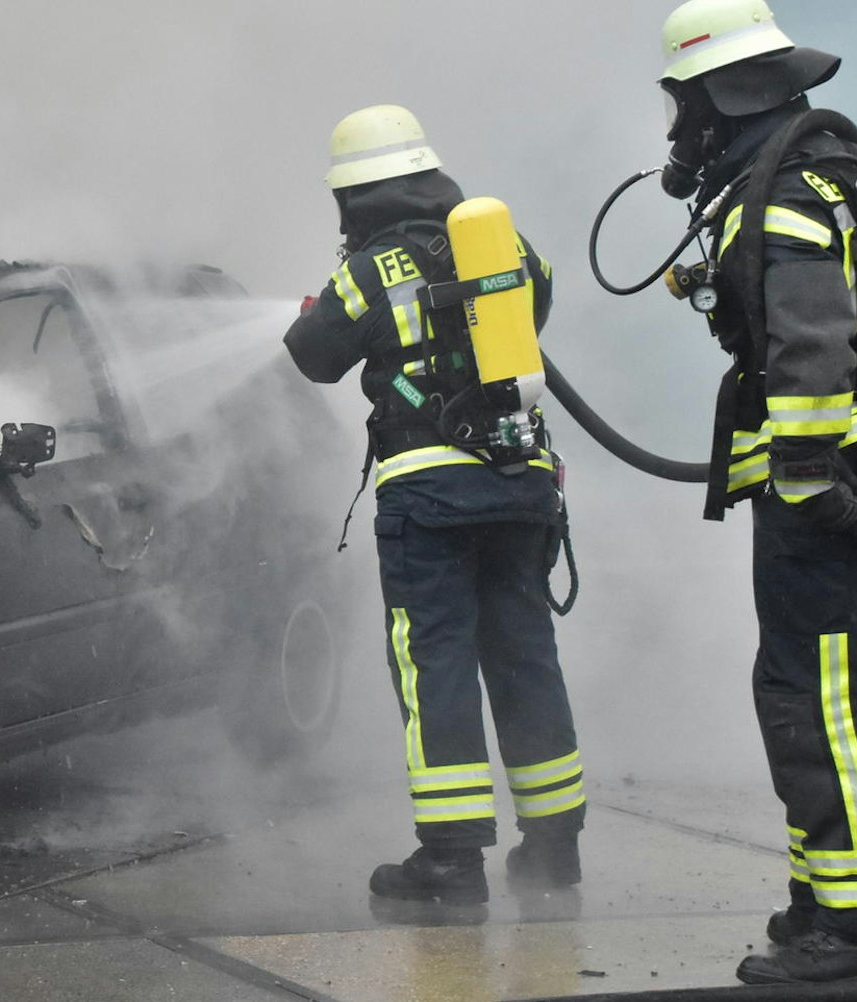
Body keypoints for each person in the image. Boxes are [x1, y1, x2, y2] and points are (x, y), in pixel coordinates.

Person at [652, 0, 857, 983]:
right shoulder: (828, 171)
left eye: (680, 105)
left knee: (822, 695)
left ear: (712, 98)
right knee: (805, 686)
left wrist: (810, 473)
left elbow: (809, 346)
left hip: (829, 476)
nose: (672, 132)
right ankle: (824, 898)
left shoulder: (777, 193)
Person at [283, 104, 586, 910]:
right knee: (524, 655)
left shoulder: (369, 268)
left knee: (436, 664)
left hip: (429, 495)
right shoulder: (505, 243)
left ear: (358, 195)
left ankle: (452, 862)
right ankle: (555, 848)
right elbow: (539, 306)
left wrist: (321, 308)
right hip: (520, 484)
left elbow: (312, 357)